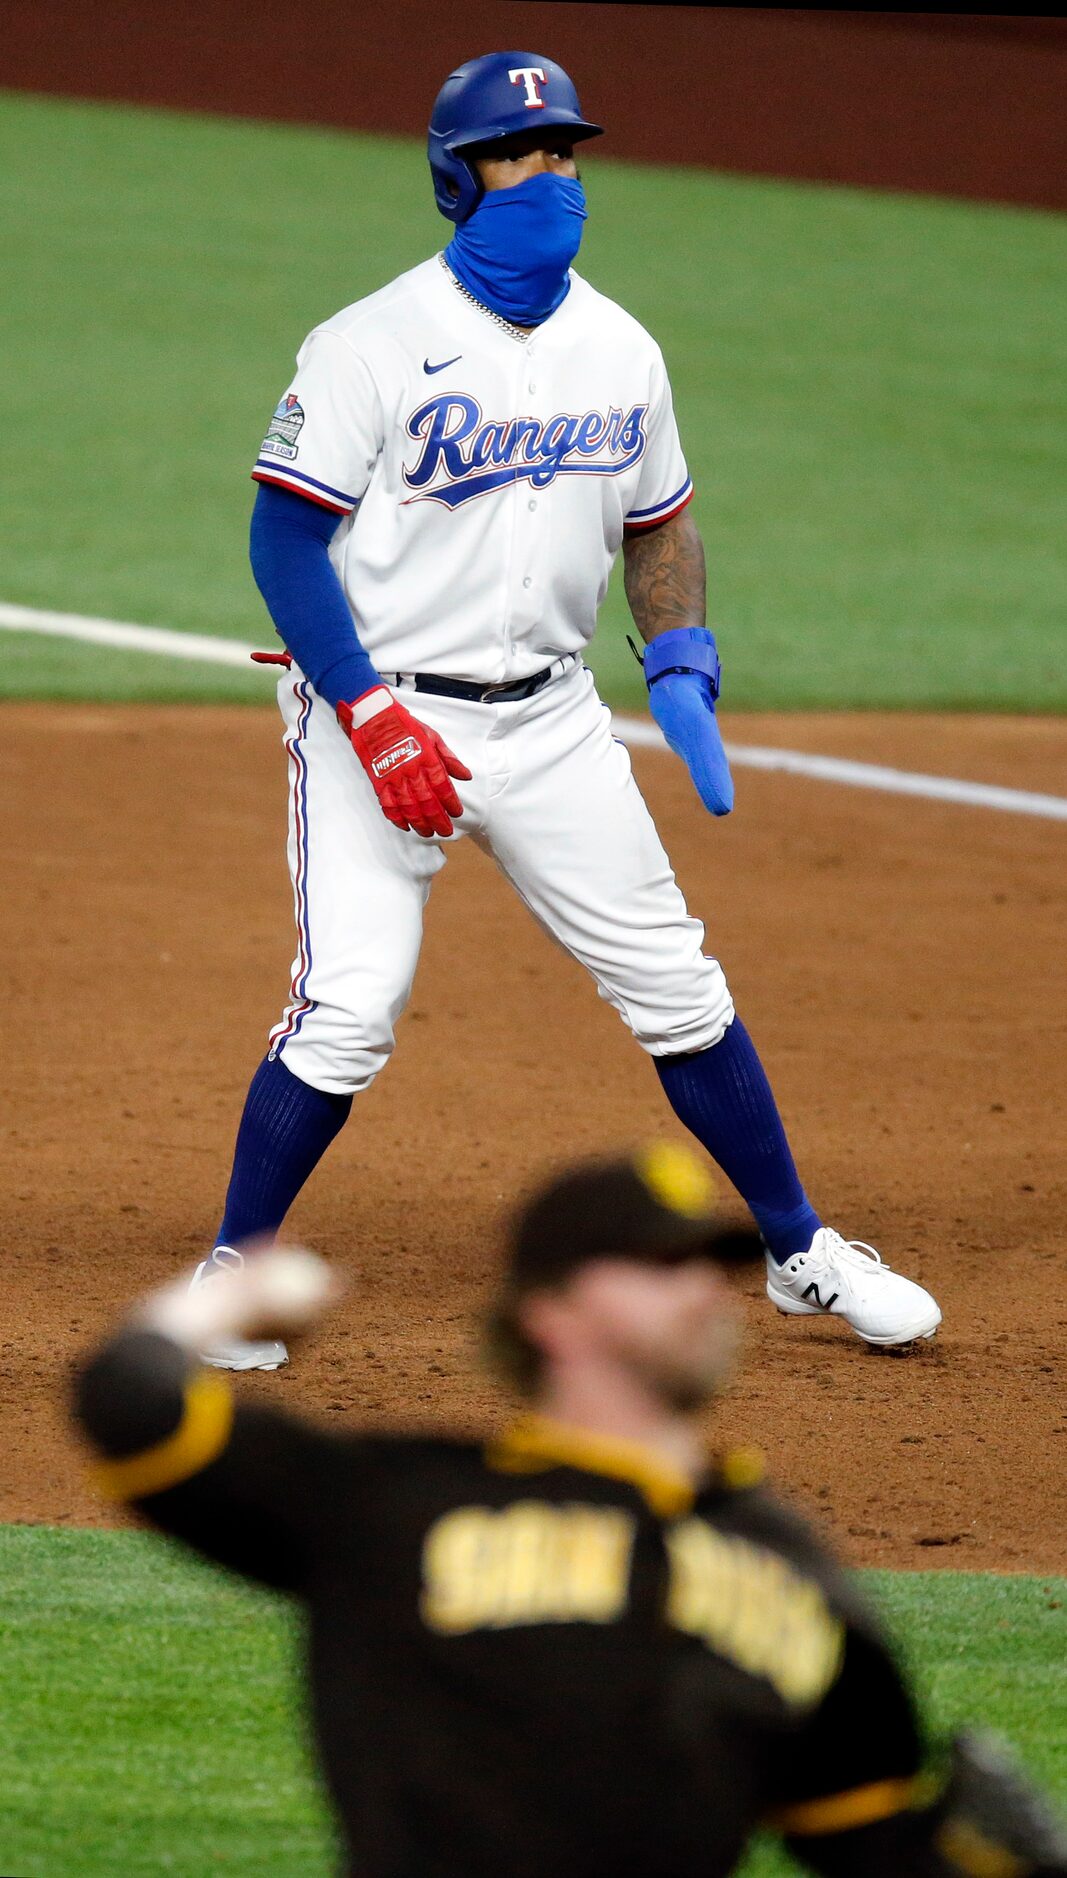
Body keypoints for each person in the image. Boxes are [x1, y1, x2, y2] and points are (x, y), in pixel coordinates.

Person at [196, 49, 940, 1368]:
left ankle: (797, 1248)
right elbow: (281, 544)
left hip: (548, 727)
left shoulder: (619, 346)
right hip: (381, 718)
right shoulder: (368, 342)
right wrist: (368, 715)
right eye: (520, 154)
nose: (552, 175)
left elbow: (660, 523)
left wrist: (680, 662)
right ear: (455, 176)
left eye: (563, 152)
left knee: (674, 982)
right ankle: (232, 1269)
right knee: (351, 1006)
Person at [76, 1145, 1062, 1877]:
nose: (702, 1292)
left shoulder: (786, 1564)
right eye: (656, 1265)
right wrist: (228, 1304)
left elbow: (867, 1843)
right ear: (545, 1312)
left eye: (709, 1265)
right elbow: (128, 1405)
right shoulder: (397, 1504)